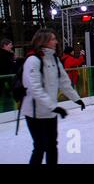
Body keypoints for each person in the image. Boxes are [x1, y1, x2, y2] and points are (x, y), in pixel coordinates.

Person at [21, 28, 85, 164]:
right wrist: (54, 107)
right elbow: (35, 88)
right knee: (40, 146)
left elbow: (64, 81)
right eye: (53, 39)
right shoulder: (33, 60)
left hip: (50, 112)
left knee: (51, 146)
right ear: (43, 41)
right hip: (34, 113)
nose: (56, 41)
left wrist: (76, 98)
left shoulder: (54, 59)